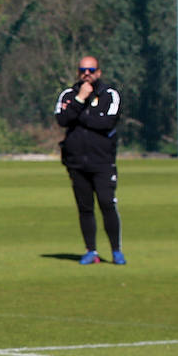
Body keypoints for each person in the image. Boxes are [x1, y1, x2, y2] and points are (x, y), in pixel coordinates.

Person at [54, 56, 125, 265]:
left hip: (102, 162)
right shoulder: (68, 95)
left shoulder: (110, 95)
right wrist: (79, 100)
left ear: (99, 72)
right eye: (83, 70)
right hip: (76, 162)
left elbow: (106, 122)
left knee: (106, 203)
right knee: (85, 208)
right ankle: (90, 250)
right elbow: (62, 119)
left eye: (91, 70)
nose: (87, 73)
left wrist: (80, 115)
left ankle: (116, 251)